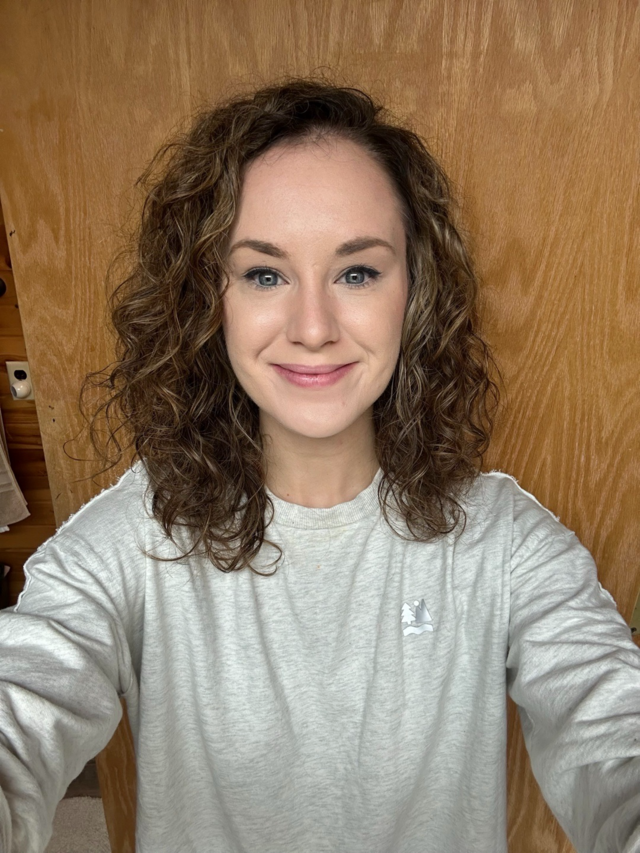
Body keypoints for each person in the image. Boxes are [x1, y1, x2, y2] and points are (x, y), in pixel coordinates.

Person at [0, 79, 639, 853]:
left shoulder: (505, 542)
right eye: (264, 274)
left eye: (357, 272)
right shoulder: (130, 540)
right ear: (209, 299)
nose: (312, 327)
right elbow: (22, 697)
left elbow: (612, 726)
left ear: (415, 290)